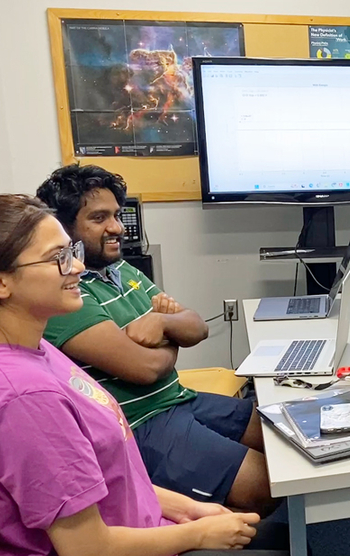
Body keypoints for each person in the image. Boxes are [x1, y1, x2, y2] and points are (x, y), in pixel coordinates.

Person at [0, 194, 269, 555]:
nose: (78, 268)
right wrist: (197, 535)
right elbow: (88, 548)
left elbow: (115, 481)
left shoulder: (38, 350)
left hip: (150, 527)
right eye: (59, 259)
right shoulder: (25, 398)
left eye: (72, 253)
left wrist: (189, 510)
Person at [36, 165, 275, 514]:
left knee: (280, 436)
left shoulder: (122, 270)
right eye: (99, 218)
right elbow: (144, 369)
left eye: (116, 215)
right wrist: (170, 336)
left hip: (180, 399)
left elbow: (196, 326)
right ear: (64, 227)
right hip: (142, 424)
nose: (116, 227)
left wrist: (160, 322)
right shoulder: (65, 295)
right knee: (266, 486)